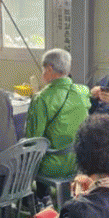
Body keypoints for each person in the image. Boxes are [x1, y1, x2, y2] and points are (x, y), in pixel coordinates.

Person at [25, 48, 90, 178]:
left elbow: (33, 140)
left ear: (49, 69)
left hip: (51, 165)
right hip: (78, 163)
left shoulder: (41, 99)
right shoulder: (83, 91)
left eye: (43, 69)